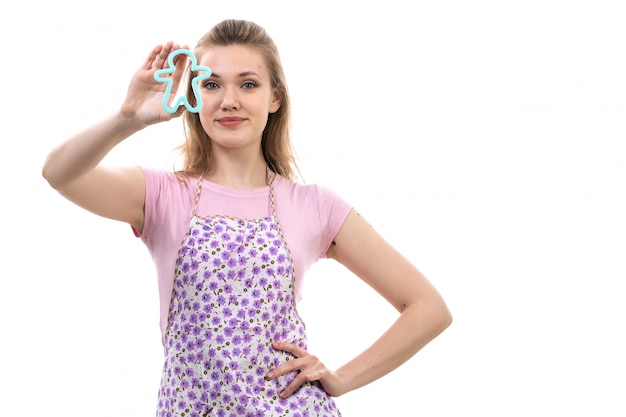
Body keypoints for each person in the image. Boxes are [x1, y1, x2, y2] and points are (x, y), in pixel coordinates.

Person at [42, 19, 452, 417]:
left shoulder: (315, 205)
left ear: (275, 98)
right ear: (193, 96)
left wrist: (341, 379)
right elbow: (59, 174)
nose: (229, 100)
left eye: (248, 84)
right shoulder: (161, 195)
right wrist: (127, 118)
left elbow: (427, 308)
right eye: (211, 84)